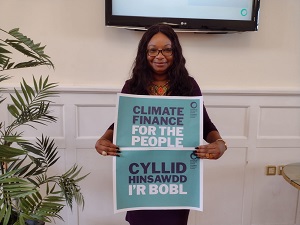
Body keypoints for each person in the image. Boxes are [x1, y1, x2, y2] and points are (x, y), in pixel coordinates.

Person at [95, 24, 227, 225]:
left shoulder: (188, 86)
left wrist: (219, 143)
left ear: (175, 52)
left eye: (167, 49)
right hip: (140, 179)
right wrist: (103, 140)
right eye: (153, 50)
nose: (160, 55)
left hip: (176, 181)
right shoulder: (132, 86)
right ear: (144, 53)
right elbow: (121, 123)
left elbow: (205, 125)